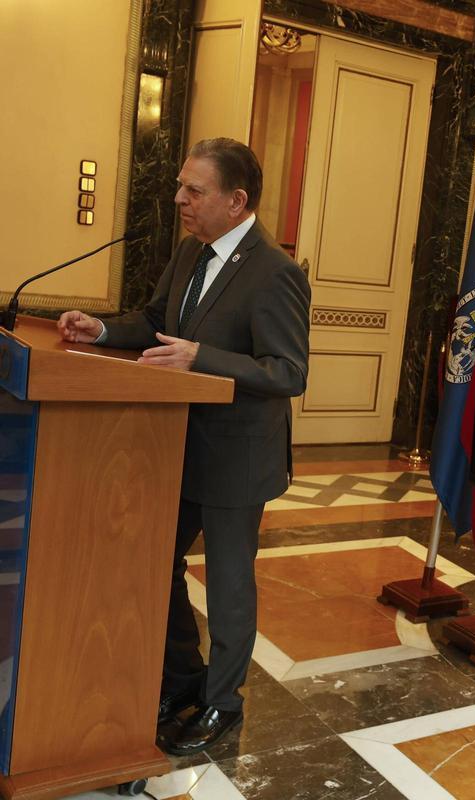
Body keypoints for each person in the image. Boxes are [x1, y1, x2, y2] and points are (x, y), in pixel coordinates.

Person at [57, 138, 310, 755]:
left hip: (236, 459)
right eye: (180, 186)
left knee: (227, 586)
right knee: (156, 564)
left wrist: (203, 359)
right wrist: (104, 330)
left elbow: (287, 372)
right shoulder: (191, 254)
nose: (179, 200)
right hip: (174, 448)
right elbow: (154, 321)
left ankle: (224, 704)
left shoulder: (276, 272)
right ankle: (182, 678)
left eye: (193, 191)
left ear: (236, 200)